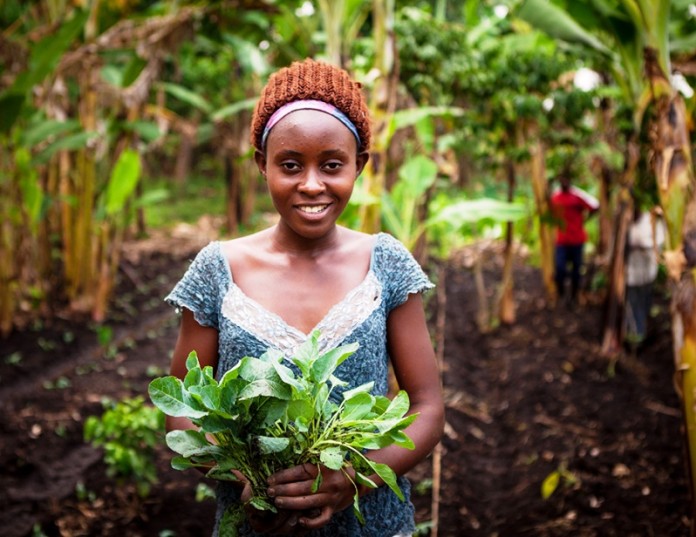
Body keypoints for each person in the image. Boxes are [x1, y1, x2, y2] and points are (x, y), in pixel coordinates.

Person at [164, 58, 445, 537]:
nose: (312, 184)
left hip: (372, 525)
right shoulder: (219, 270)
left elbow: (428, 405)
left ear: (359, 165)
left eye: (331, 165)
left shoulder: (385, 264)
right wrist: (244, 477)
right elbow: (180, 407)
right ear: (262, 164)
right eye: (290, 165)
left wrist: (352, 479)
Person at [550, 175, 599, 304]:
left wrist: (585, 220)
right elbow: (549, 212)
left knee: (577, 270)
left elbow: (595, 206)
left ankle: (573, 296)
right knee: (560, 268)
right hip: (562, 241)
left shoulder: (577, 196)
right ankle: (561, 294)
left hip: (577, 240)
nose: (565, 181)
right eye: (562, 179)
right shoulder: (555, 197)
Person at [624, 205, 666, 349]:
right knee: (632, 304)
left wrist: (642, 244)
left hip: (647, 272)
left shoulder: (651, 221)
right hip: (629, 273)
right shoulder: (624, 221)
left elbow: (660, 241)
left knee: (643, 304)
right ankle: (634, 336)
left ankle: (642, 334)